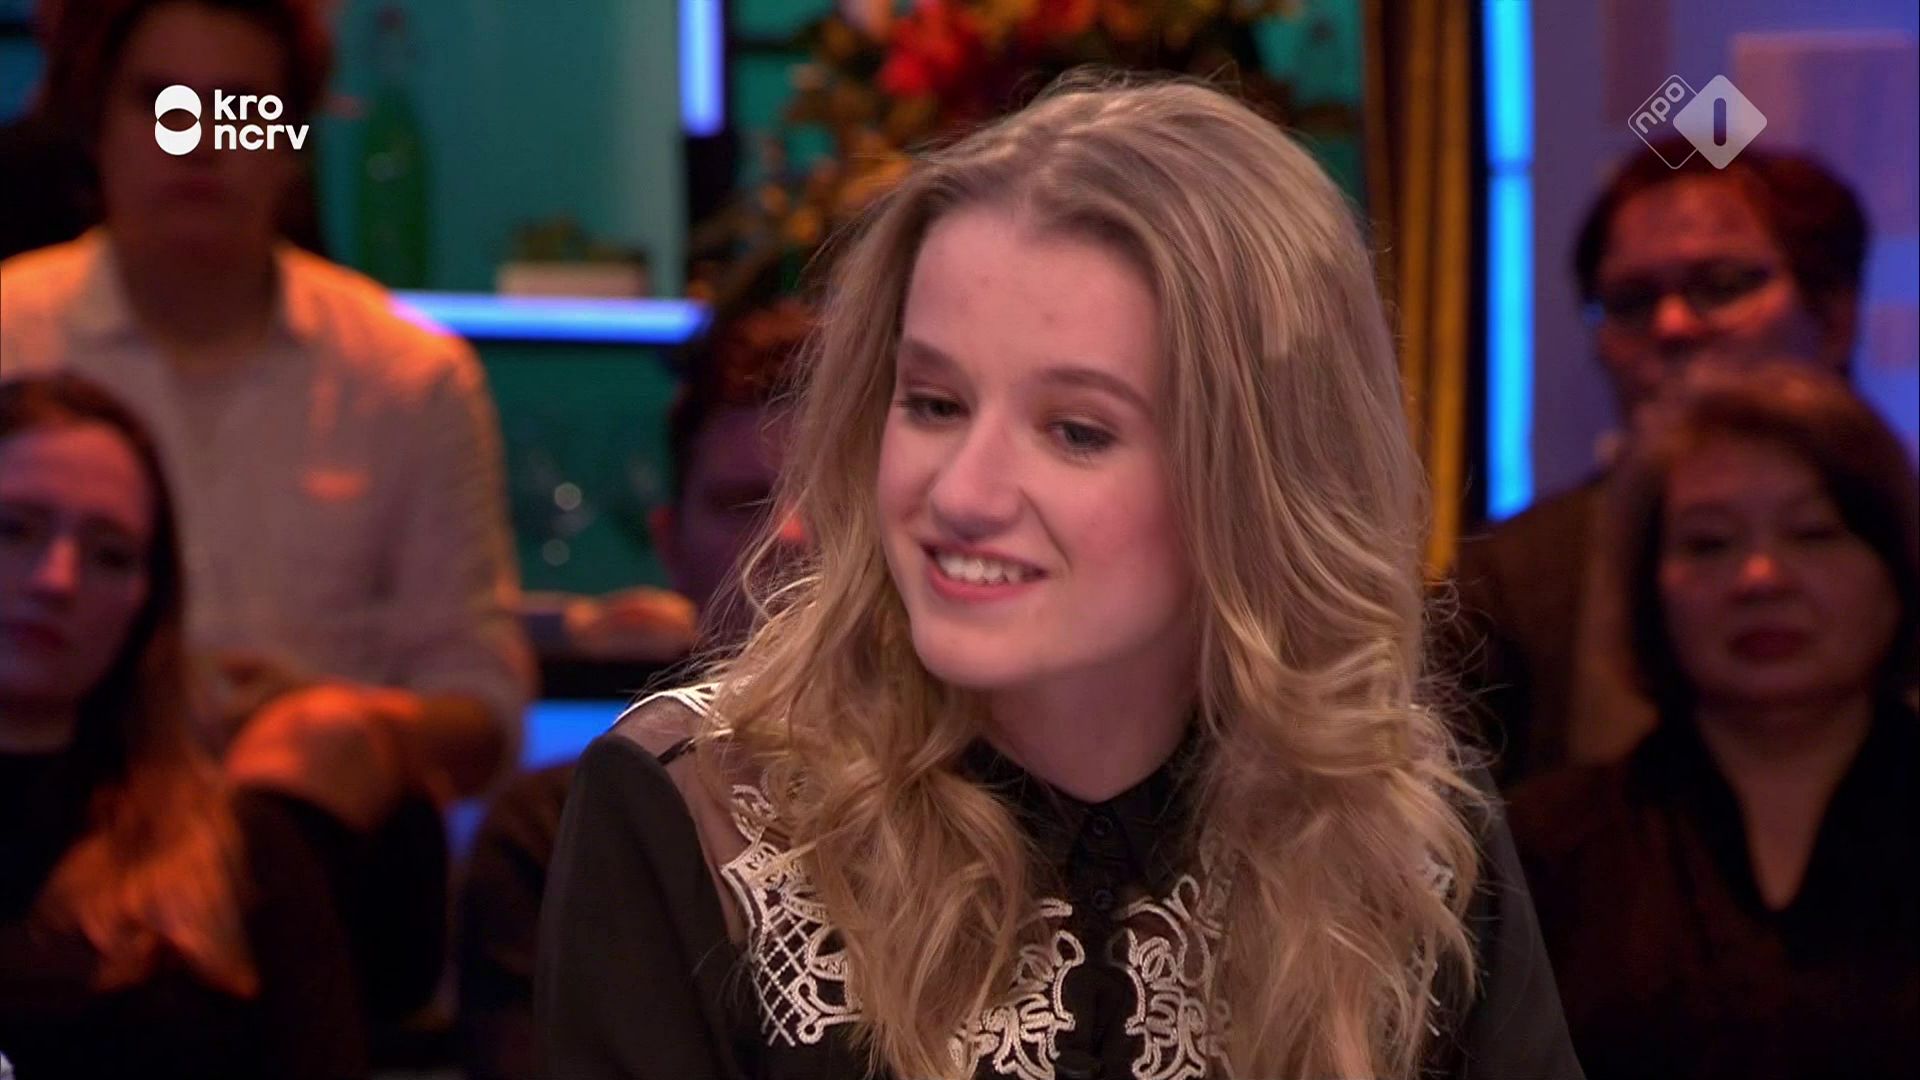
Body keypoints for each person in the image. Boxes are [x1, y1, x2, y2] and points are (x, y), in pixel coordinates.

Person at [537, 76, 1583, 1080]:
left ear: (1257, 478)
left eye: (1076, 430)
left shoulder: (1397, 824)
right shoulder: (697, 811)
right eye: (934, 404)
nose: (962, 493)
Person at [0, 0, 532, 1023]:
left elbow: (484, 707)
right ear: (96, 122)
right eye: (161, 102)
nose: (199, 140)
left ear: (293, 138)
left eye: (240, 107)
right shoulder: (10, 332)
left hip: (322, 890)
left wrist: (357, 724)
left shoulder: (410, 376)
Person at [1509, 362, 1918, 1080]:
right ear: (1649, 588)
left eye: (1813, 533)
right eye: (1710, 543)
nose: (1761, 578)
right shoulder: (1543, 849)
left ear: (1895, 567)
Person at [456, 298, 811, 1080]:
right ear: (669, 546)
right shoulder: (552, 836)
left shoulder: (996, 803)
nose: (790, 537)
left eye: (832, 496)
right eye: (742, 503)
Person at [1452, 138, 1870, 783]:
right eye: (1631, 301)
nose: (1671, 325)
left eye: (1721, 286)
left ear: (1834, 318)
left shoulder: (1902, 530)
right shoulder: (1512, 579)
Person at [0, 373, 365, 1080]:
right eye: (14, 529)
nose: (57, 579)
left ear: (149, 604)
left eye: (110, 554)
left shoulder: (243, 855)